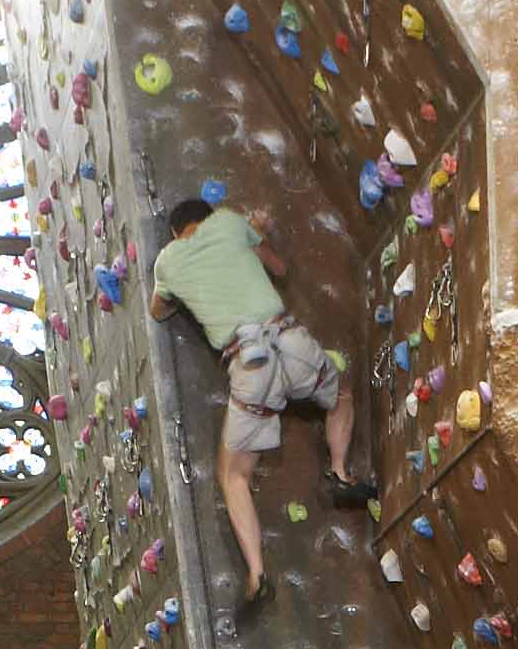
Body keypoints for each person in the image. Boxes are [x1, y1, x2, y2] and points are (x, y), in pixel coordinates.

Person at [148, 194, 371, 613]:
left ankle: (256, 574)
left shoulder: (168, 261)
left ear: (179, 232)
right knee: (340, 395)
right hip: (290, 341)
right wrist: (256, 232)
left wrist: (182, 287)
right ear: (208, 218)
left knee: (233, 475)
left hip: (250, 364)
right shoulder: (232, 222)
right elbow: (279, 267)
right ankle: (340, 472)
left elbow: (158, 311)